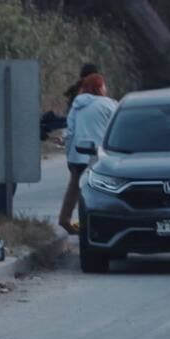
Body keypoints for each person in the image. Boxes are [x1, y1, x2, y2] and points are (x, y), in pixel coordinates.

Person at [59, 73, 119, 235]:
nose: (106, 88)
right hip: (97, 156)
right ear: (99, 87)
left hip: (77, 155)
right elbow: (118, 127)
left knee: (74, 188)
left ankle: (65, 219)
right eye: (104, 85)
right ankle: (93, 222)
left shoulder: (77, 105)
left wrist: (68, 150)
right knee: (97, 191)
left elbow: (69, 131)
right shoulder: (108, 105)